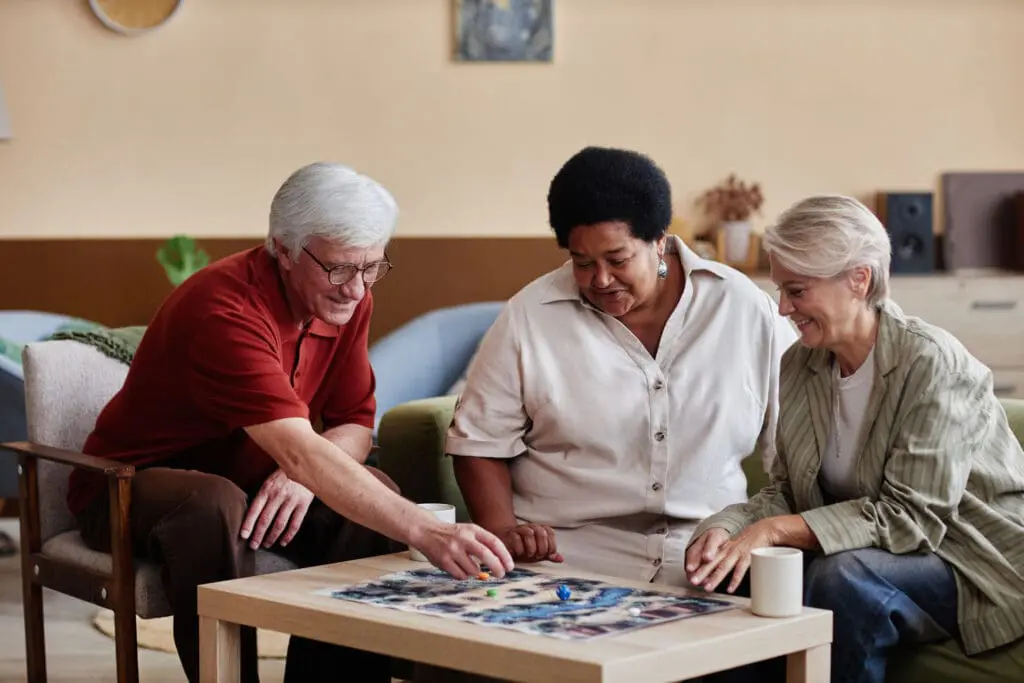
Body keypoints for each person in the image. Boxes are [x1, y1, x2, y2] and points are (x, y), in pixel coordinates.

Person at [66, 162, 514, 683]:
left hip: (251, 481)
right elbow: (300, 450)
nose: (356, 289)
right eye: (340, 269)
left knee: (371, 497)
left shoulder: (347, 298)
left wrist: (305, 475)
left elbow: (351, 425)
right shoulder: (224, 308)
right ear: (282, 248)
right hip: (126, 490)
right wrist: (427, 530)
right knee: (212, 504)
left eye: (372, 267)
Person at [685, 195, 1024, 683]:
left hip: (968, 559)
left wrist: (777, 530)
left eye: (796, 291)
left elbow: (913, 519)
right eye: (781, 290)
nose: (782, 309)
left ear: (858, 279)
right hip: (870, 549)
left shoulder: (932, 364)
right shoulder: (801, 364)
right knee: (731, 572)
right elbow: (785, 490)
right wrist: (723, 530)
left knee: (843, 576)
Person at [445, 146, 798, 584]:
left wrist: (765, 532)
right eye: (582, 262)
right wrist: (504, 530)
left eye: (618, 259)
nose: (601, 280)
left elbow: (799, 442)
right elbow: (478, 443)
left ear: (660, 240)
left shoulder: (743, 309)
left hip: (709, 552)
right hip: (568, 558)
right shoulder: (530, 316)